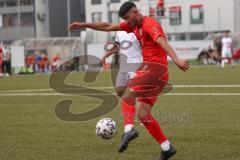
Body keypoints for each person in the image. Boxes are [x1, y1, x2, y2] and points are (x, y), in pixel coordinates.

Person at [68, 2, 189, 160]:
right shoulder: (133, 26)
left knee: (127, 95)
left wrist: (177, 60)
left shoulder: (149, 24)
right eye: (124, 19)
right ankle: (167, 148)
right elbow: (107, 26)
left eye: (127, 17)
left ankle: (128, 129)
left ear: (135, 12)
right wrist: (84, 24)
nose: (127, 21)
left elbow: (161, 41)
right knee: (143, 113)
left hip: (154, 70)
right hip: (155, 73)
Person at [101, 31, 143, 97]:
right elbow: (117, 46)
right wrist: (106, 55)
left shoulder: (138, 29)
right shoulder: (119, 32)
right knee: (119, 91)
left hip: (136, 62)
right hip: (123, 64)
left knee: (133, 91)